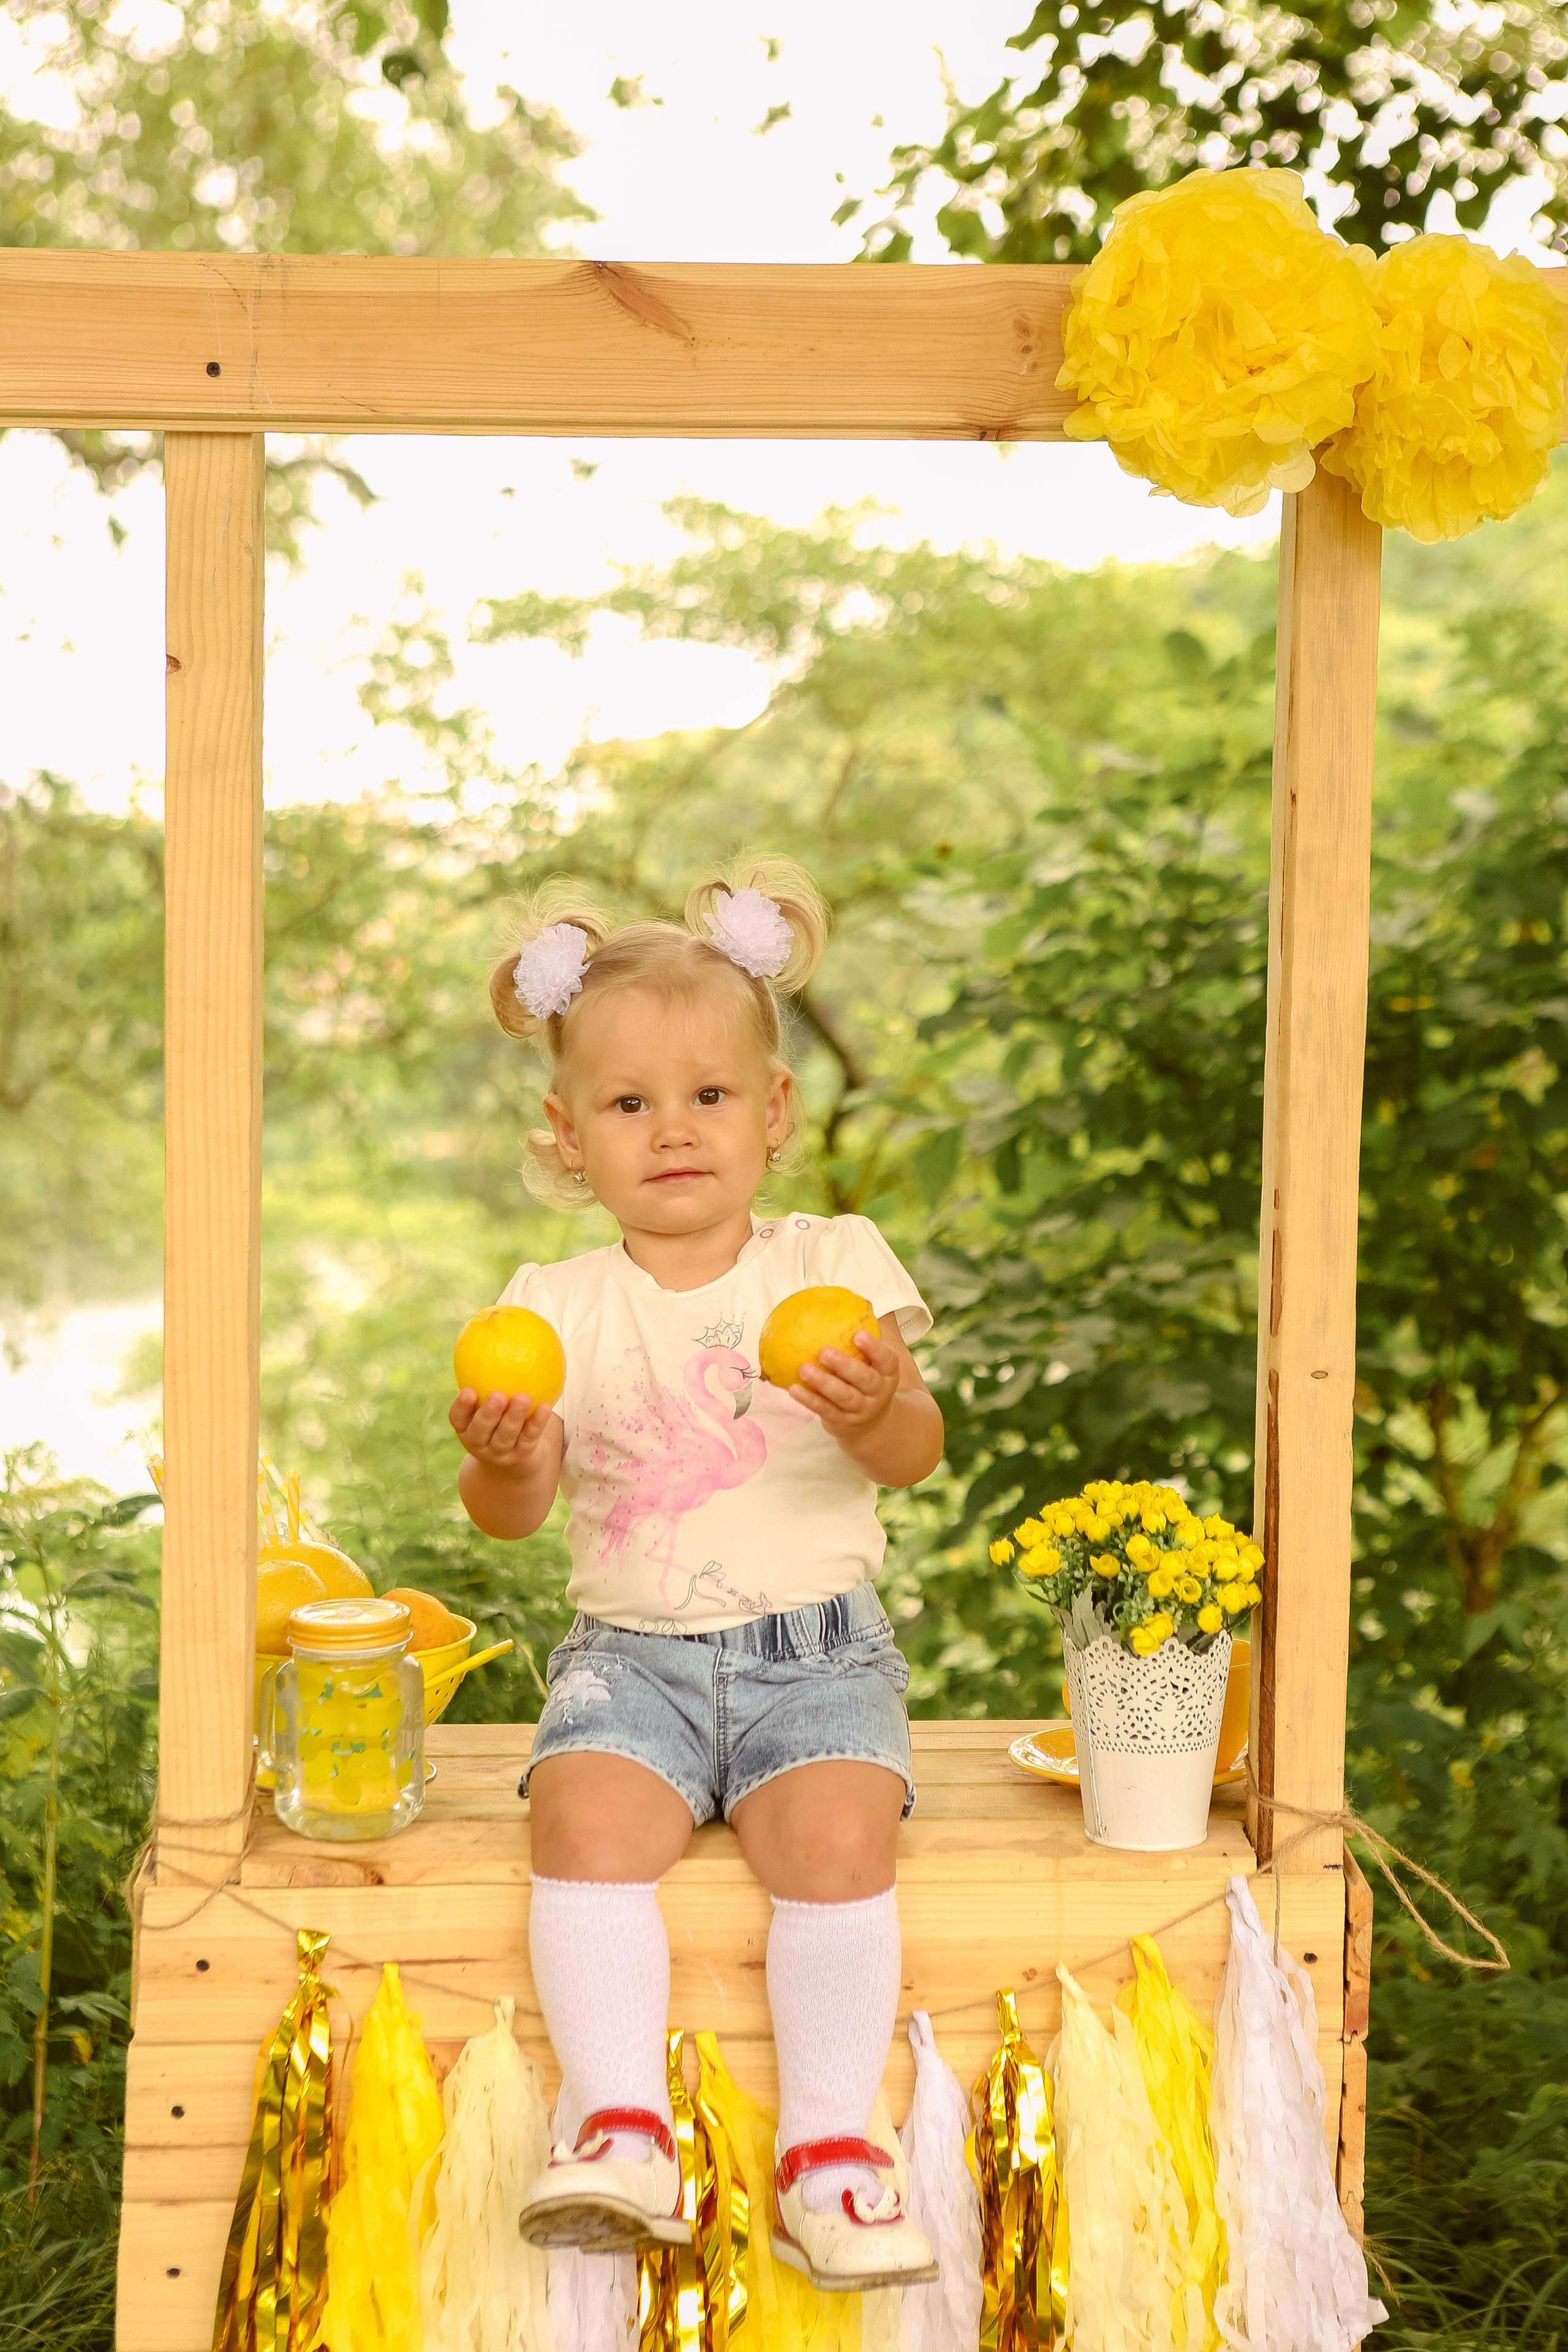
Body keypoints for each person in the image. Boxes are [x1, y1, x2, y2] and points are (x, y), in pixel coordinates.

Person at [450, 859, 944, 2293]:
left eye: (709, 1097)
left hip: (818, 1657)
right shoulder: (549, 1306)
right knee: (580, 1821)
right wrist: (500, 1452)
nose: (672, 1130)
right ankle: (616, 2127)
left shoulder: (831, 1264)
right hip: (631, 1660)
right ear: (566, 1139)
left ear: (773, 1113)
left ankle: (832, 2157)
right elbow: (511, 1513)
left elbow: (911, 1448)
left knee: (841, 1840)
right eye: (626, 1104)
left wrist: (868, 1407)